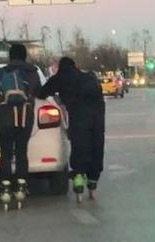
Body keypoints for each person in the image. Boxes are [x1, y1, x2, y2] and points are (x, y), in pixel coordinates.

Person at [37, 57, 105, 199]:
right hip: (97, 116)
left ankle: (78, 178)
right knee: (96, 145)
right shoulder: (88, 77)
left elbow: (42, 92)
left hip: (78, 117)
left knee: (80, 145)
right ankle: (93, 180)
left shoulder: (60, 78)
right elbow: (99, 95)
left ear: (61, 67)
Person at [0, 43, 42, 205]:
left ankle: (5, 188)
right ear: (25, 56)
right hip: (25, 116)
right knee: (21, 150)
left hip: (5, 117)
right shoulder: (33, 72)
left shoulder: (0, 72)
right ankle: (21, 186)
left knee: (6, 152)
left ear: (10, 56)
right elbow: (39, 92)